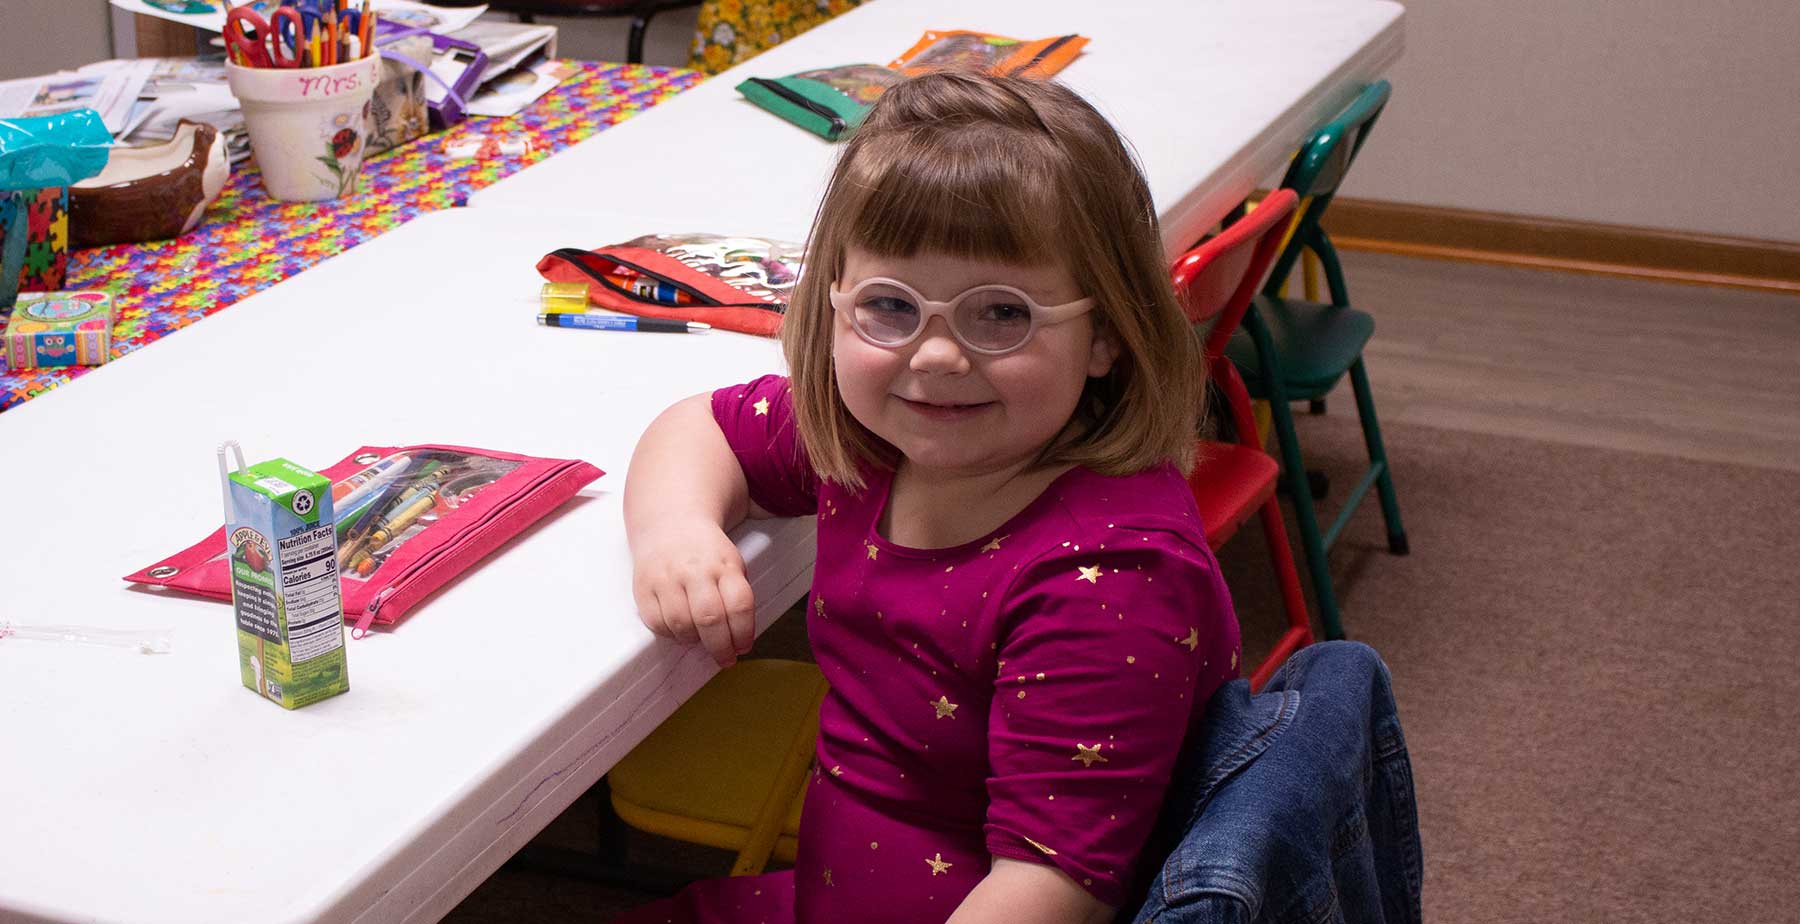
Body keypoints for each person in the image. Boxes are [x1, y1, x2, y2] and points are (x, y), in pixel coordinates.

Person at [617, 71, 1240, 924]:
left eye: (1000, 315)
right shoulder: (879, 439)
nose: (937, 357)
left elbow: (1053, 891)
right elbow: (700, 427)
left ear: (1105, 333)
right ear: (833, 300)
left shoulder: (1112, 578)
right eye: (890, 306)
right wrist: (674, 530)